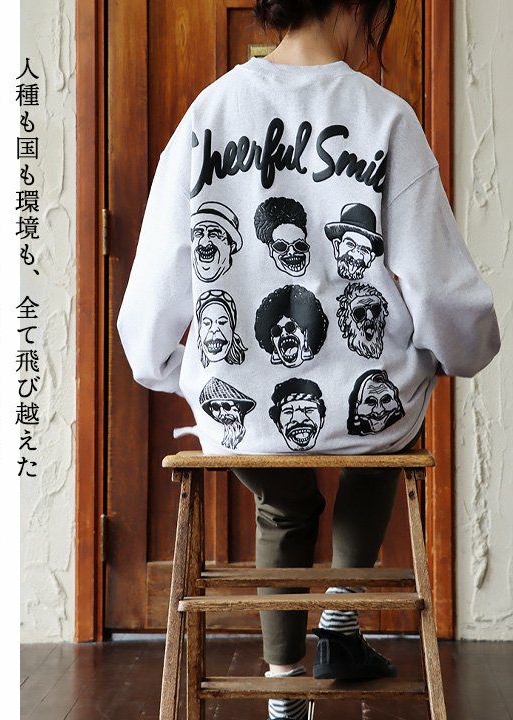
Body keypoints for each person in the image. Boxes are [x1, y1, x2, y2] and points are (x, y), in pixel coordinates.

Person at [116, 1, 501, 718]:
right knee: (395, 411)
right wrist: (457, 353)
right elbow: (443, 295)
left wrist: (177, 373)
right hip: (366, 413)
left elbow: (153, 292)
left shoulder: (208, 114)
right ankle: (341, 619)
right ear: (357, 4)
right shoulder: (384, 117)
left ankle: (283, 695)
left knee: (284, 504)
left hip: (244, 416)